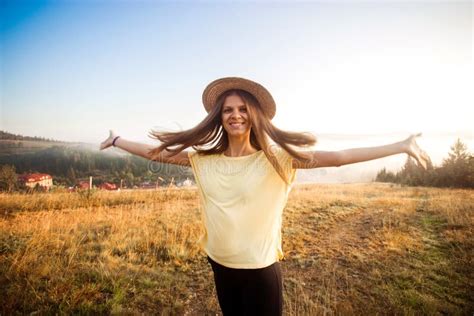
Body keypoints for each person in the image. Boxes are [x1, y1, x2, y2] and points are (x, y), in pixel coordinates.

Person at [100, 77, 431, 315]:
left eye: (243, 108)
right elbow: (155, 152)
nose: (235, 114)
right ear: (219, 116)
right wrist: (117, 141)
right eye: (228, 109)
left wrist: (401, 146)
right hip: (219, 263)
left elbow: (340, 156)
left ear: (253, 115)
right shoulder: (204, 160)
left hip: (260, 271)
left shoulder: (277, 159)